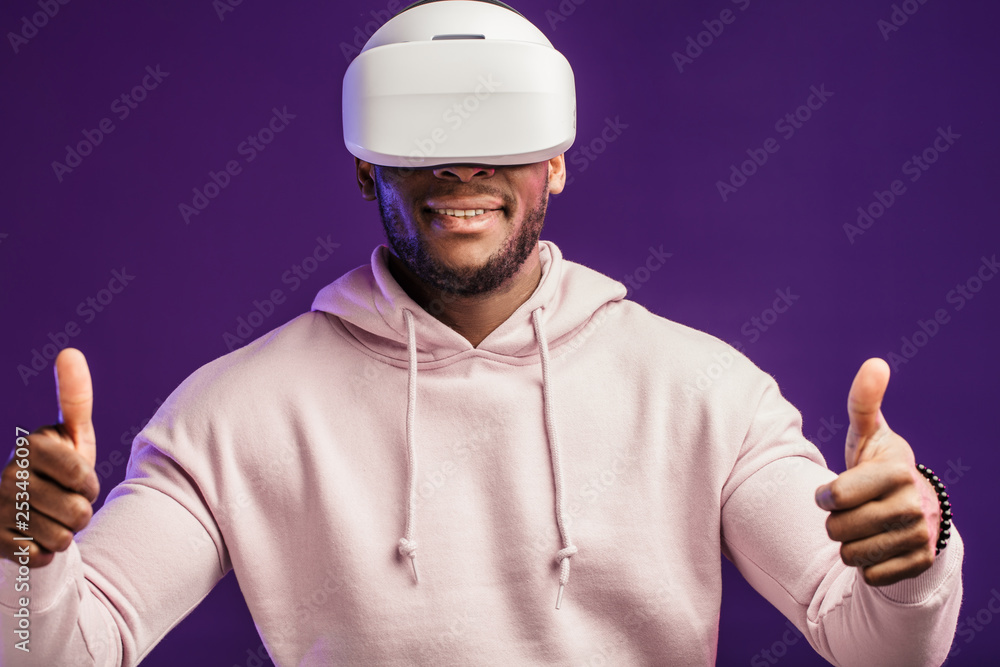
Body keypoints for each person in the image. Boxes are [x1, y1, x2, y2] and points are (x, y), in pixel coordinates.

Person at [0, 1, 963, 665]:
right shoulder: (231, 413)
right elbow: (70, 646)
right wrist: (22, 555)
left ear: (557, 162)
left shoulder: (708, 392)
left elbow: (873, 643)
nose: (460, 164)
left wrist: (916, 549)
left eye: (499, 128)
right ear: (365, 169)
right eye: (420, 133)